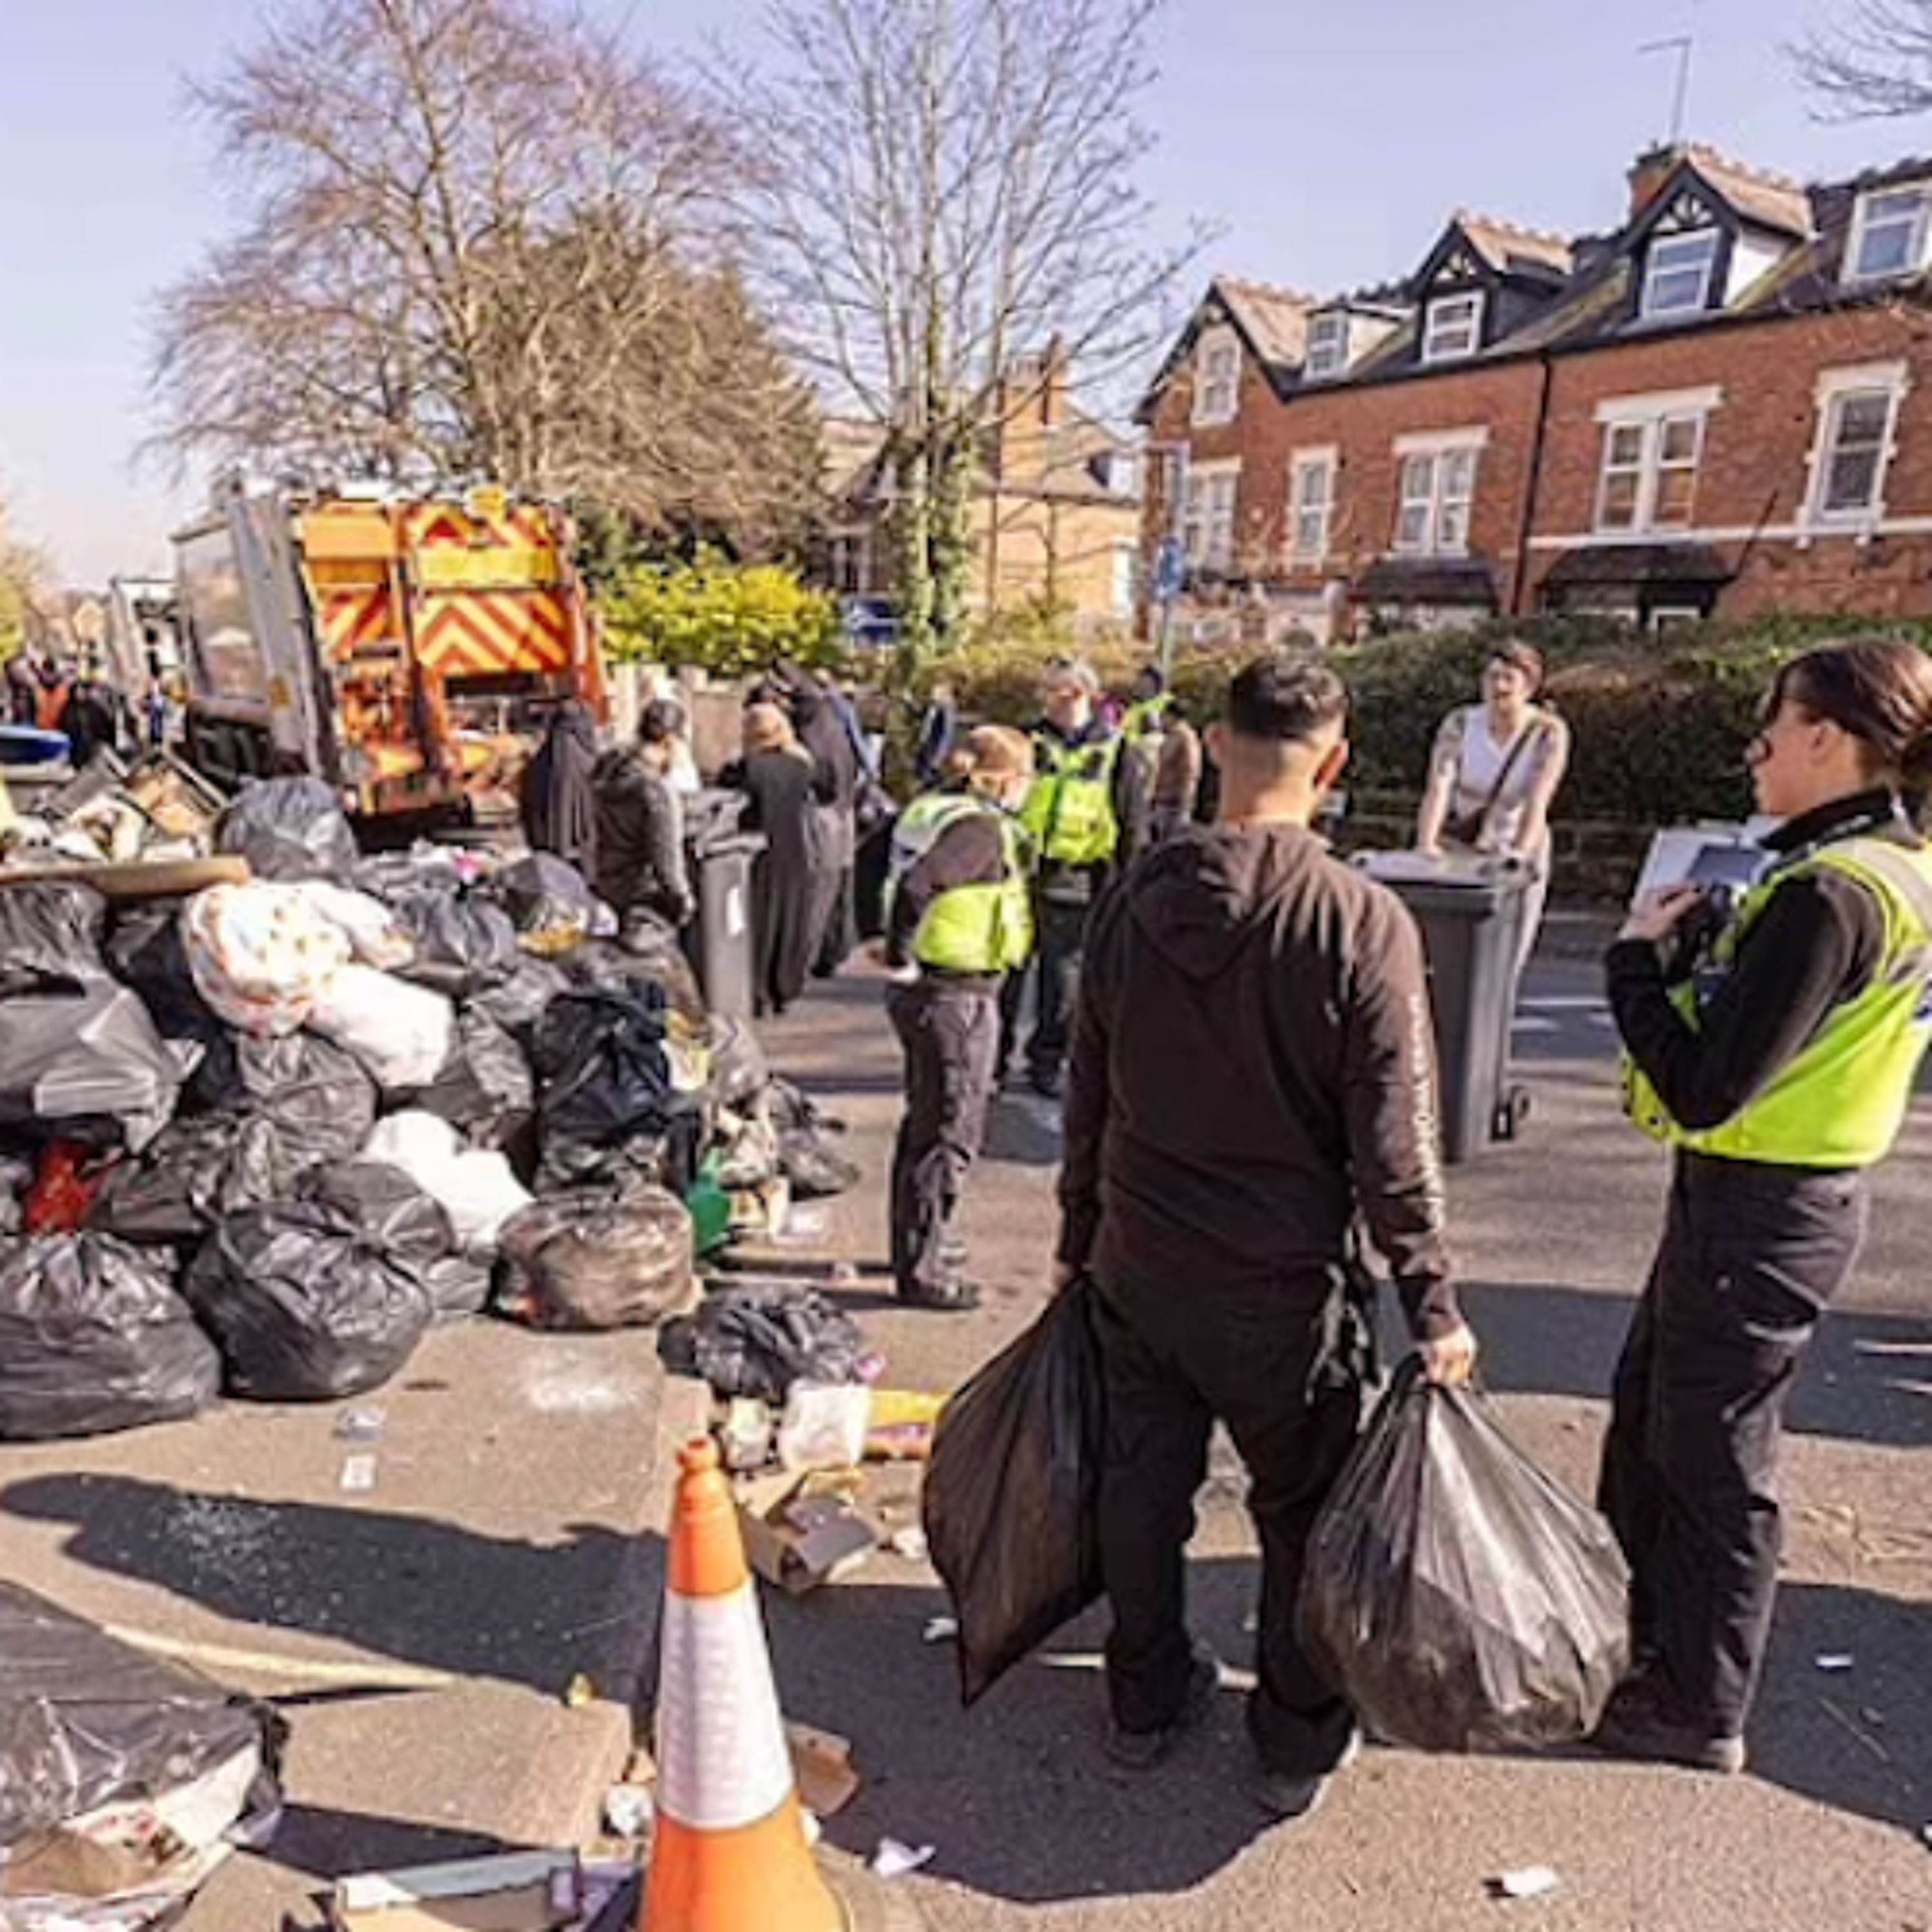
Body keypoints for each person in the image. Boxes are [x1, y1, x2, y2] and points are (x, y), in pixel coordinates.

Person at [1056, 650, 1477, 1819]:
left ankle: (1142, 1699)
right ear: (1334, 766)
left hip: (1139, 1263)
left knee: (1142, 1485)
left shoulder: (1135, 899)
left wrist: (1077, 1238)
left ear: (1214, 746)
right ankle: (1292, 1736)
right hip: (1283, 1288)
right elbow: (1397, 1138)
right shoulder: (1360, 920)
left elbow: (1089, 1088)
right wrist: (1431, 1299)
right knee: (1299, 1508)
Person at [1596, 638, 1932, 1776]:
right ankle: (1647, 1650)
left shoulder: (1833, 895)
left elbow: (1707, 1086)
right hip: (1772, 1199)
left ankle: (1696, 1705)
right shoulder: (1888, 868)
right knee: (1657, 1422)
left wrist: (1634, 967)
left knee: (1712, 1463)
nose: (1756, 751)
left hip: (1763, 1207)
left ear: (1826, 739)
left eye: (1773, 728)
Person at [879, 725, 1036, 1311]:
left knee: (924, 1122)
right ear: (1003, 778)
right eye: (1025, 775)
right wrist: (899, 952)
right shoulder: (978, 829)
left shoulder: (931, 810)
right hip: (956, 993)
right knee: (950, 1132)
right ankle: (922, 1268)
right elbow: (918, 886)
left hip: (930, 990)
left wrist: (892, 949)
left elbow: (877, 867)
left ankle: (918, 1241)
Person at [1001, 658, 1134, 1097]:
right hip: (1020, 873)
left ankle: (1046, 1061)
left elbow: (1131, 818)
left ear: (1080, 694)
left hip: (1077, 878)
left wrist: (1124, 886)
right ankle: (995, 1059)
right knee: (1009, 970)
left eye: (1054, 690)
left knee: (1061, 983)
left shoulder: (1115, 748)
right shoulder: (1027, 739)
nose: (1045, 699)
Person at [1415, 641, 1571, 970]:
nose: (1498, 687)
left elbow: (1538, 799)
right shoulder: (1460, 723)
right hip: (1464, 842)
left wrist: (1520, 855)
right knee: (1451, 948)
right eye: (1491, 677)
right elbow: (1439, 786)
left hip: (1515, 840)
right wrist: (1426, 845)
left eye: (1508, 679)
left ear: (1529, 687)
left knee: (1509, 950)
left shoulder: (1548, 732)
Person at [722, 701, 820, 1018]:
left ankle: (759, 989)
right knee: (789, 920)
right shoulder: (801, 766)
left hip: (757, 851)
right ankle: (785, 988)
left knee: (760, 922)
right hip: (794, 849)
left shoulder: (746, 769)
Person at [592, 700, 696, 940]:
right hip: (646, 900)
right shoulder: (657, 790)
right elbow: (666, 858)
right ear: (670, 741)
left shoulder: (608, 772)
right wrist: (683, 902)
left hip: (607, 889)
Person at [791, 675, 860, 978]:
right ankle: (832, 953)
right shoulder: (832, 728)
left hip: (824, 821)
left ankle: (806, 959)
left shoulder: (812, 736)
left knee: (818, 894)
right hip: (842, 818)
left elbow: (824, 780)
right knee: (836, 891)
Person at [519, 699, 601, 882]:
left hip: (546, 866)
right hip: (589, 863)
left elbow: (527, 815)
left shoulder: (535, 768)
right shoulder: (594, 766)